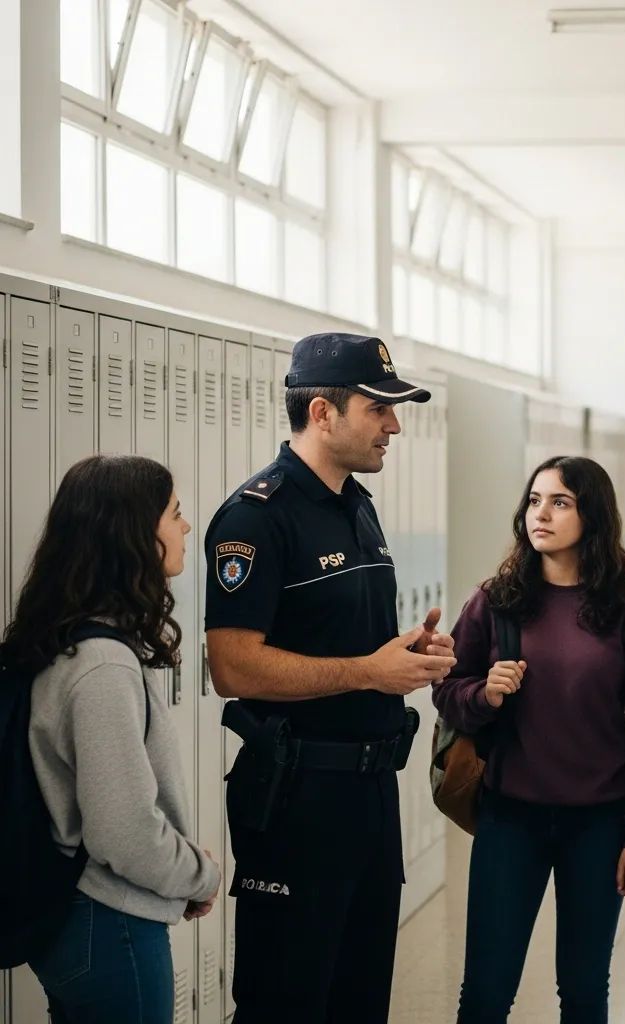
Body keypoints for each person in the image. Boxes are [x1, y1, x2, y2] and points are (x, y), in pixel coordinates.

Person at [204, 333, 457, 1024]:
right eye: (379, 409)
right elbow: (231, 664)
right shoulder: (256, 518)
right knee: (288, 998)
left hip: (369, 796)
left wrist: (408, 653)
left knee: (359, 996)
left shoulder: (358, 506)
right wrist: (369, 670)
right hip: (296, 797)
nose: (395, 425)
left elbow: (348, 646)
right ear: (322, 412)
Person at [433, 455, 625, 1024]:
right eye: (535, 500)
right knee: (486, 991)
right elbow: (448, 691)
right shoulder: (496, 600)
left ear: (593, 515)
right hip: (510, 819)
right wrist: (483, 695)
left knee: (584, 991)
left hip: (600, 824)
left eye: (560, 502)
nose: (542, 513)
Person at [3, 454, 221, 1024]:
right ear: (136, 535)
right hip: (110, 926)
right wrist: (199, 874)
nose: (186, 527)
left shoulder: (66, 640)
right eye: (175, 514)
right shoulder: (102, 664)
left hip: (82, 924)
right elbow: (123, 832)